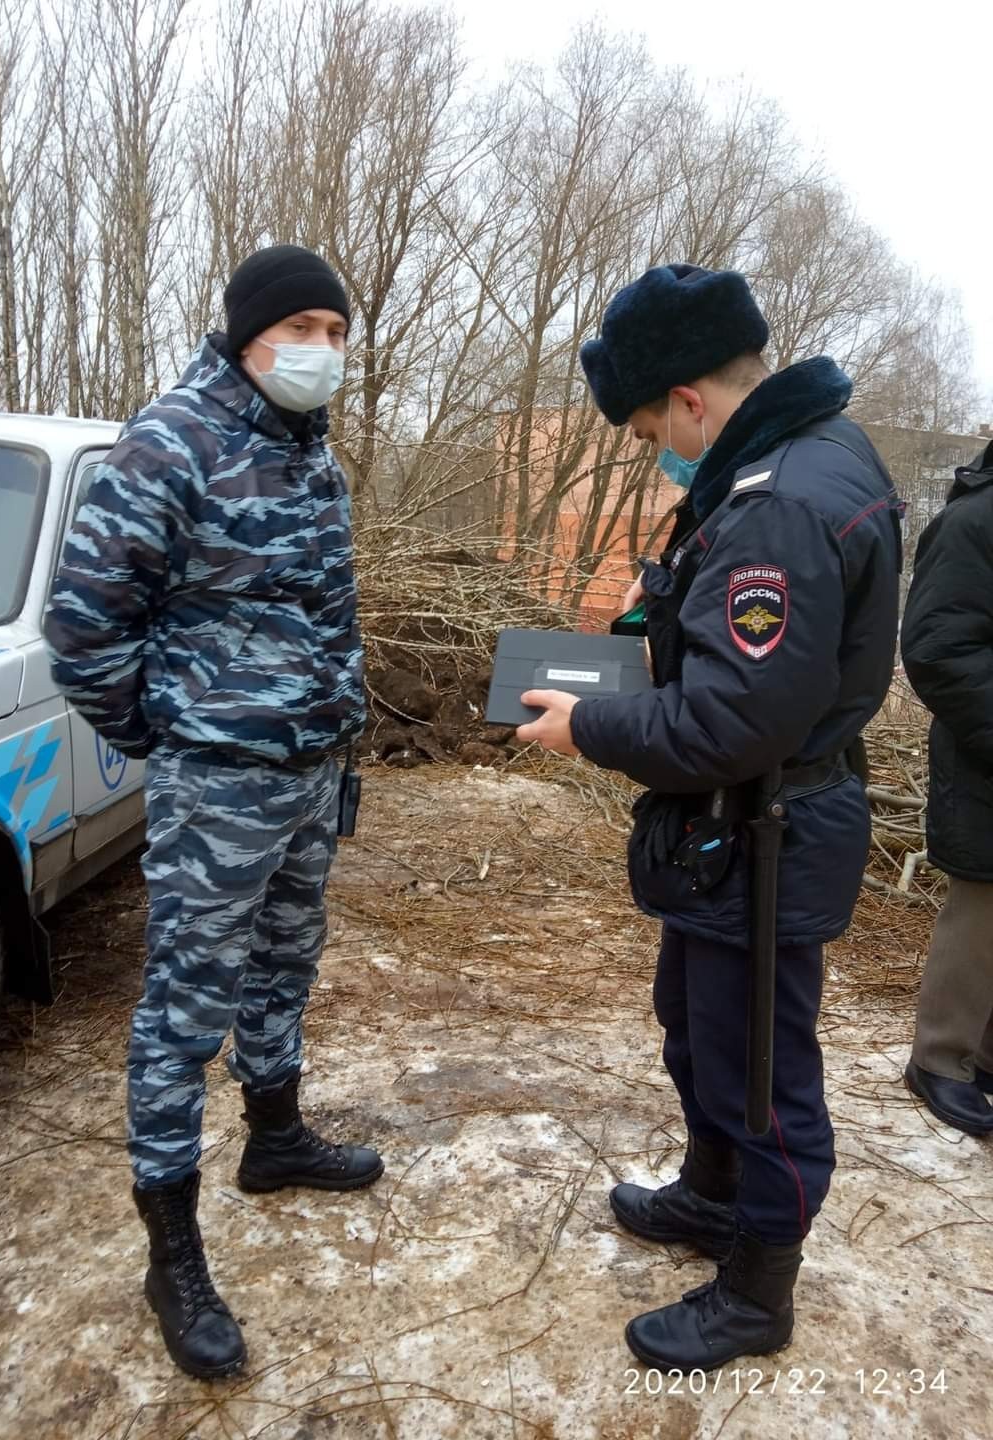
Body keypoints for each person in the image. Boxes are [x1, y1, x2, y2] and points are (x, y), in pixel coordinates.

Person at [517, 264, 903, 1372]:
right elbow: (727, 646)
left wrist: (586, 726)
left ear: (688, 397)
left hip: (767, 831)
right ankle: (709, 1191)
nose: (654, 451)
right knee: (696, 1024)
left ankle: (756, 1292)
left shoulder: (781, 501)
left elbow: (735, 723)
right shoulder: (776, 468)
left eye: (647, 430)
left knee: (761, 1069)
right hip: (729, 836)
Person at [45, 245, 383, 1379]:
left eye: (338, 334)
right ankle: (170, 1244)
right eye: (304, 329)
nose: (322, 353)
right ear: (248, 332)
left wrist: (338, 731)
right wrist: (174, 734)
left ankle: (276, 1138)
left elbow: (327, 612)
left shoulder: (309, 450)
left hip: (309, 768)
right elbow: (84, 626)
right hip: (218, 781)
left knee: (287, 961)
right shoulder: (171, 440)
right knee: (185, 1009)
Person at [900, 438, 993, 1136]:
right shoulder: (974, 521)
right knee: (982, 908)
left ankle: (988, 1057)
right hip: (984, 755)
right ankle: (941, 1059)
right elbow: (937, 646)